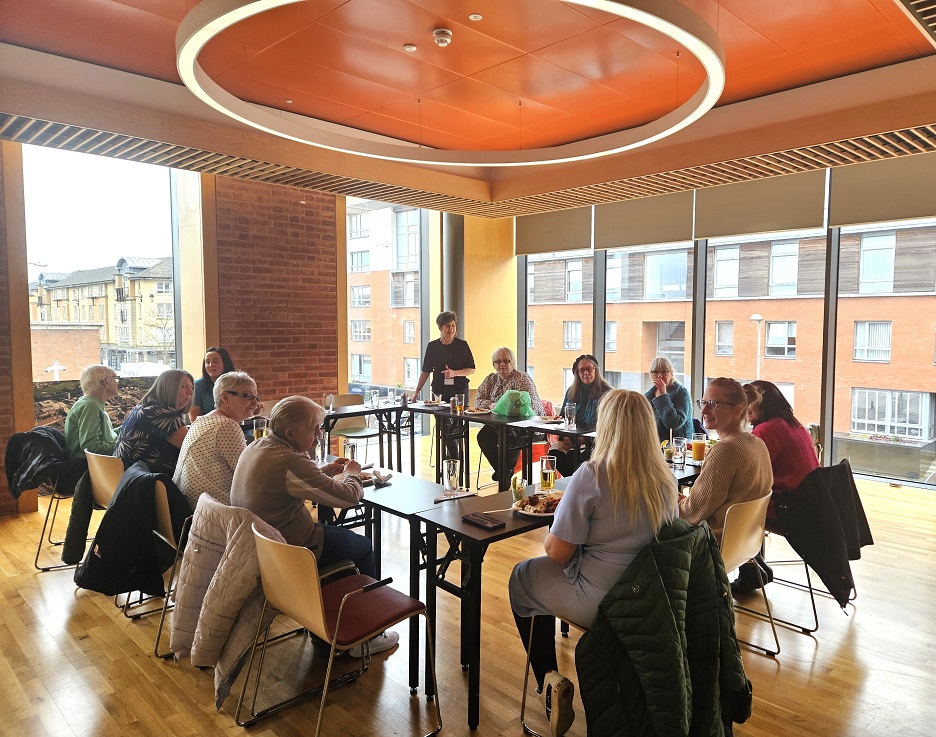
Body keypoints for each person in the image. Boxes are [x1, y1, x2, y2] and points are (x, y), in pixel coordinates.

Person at [509, 390, 679, 737]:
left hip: (600, 601)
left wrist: (555, 531)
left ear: (607, 426)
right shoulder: (666, 479)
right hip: (647, 598)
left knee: (523, 577)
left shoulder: (593, 474)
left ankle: (549, 682)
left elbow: (558, 553)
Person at [230, 396, 398, 657]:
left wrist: (328, 470)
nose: (319, 435)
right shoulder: (288, 459)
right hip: (295, 551)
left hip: (265, 550)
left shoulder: (260, 445)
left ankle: (330, 628)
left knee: (343, 542)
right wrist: (352, 472)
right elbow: (349, 497)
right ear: (290, 433)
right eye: (313, 429)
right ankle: (366, 636)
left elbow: (298, 479)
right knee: (362, 547)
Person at [732, 380, 820, 593]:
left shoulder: (766, 430)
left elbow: (745, 473)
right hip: (812, 504)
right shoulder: (794, 424)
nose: (744, 408)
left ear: (761, 404)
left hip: (789, 509)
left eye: (749, 402)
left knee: (734, 506)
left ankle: (750, 571)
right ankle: (755, 567)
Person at [678, 377, 773, 540]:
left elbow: (691, 515)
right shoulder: (758, 443)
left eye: (713, 404)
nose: (704, 411)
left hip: (711, 544)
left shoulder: (725, 450)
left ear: (737, 410)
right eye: (703, 403)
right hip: (742, 542)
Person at [173, 371, 260, 509]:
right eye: (248, 396)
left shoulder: (203, 419)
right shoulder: (226, 425)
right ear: (225, 397)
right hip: (214, 514)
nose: (255, 402)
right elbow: (249, 476)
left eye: (256, 397)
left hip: (190, 508)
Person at [410, 311, 475, 458]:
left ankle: (452, 460)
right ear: (440, 328)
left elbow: (471, 369)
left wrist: (455, 373)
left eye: (453, 325)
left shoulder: (462, 345)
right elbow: (426, 371)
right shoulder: (432, 347)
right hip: (440, 392)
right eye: (448, 326)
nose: (451, 329)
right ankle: (454, 459)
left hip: (459, 392)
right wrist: (417, 391)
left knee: (457, 428)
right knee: (444, 426)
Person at [475, 347, 545, 482]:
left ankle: (504, 475)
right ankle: (503, 471)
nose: (502, 364)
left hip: (527, 427)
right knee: (483, 436)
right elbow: (478, 400)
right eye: (498, 361)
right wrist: (490, 405)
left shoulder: (521, 378)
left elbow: (532, 406)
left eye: (506, 361)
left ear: (513, 362)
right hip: (499, 425)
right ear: (493, 364)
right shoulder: (491, 379)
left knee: (507, 438)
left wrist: (512, 407)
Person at [114, 369, 194, 475]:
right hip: (145, 484)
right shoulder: (166, 416)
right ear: (168, 388)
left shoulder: (142, 408)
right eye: (183, 386)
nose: (190, 391)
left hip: (124, 479)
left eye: (191, 387)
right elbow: (195, 450)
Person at [550, 354, 612, 477]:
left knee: (574, 459)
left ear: (596, 370)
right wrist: (565, 436)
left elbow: (607, 425)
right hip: (572, 439)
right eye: (581, 370)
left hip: (595, 443)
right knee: (554, 454)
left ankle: (578, 486)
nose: (585, 373)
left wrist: (582, 438)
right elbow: (563, 416)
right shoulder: (571, 391)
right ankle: (573, 486)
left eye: (589, 369)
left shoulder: (606, 393)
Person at [64, 364, 120, 460]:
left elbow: (106, 436)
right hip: (89, 466)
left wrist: (129, 426)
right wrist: (125, 445)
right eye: (115, 378)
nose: (117, 382)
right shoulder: (91, 406)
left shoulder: (91, 402)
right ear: (105, 382)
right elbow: (90, 447)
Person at [643, 356, 693, 443]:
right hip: (654, 445)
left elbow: (674, 423)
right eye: (655, 372)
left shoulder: (681, 393)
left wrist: (662, 396)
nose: (659, 375)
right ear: (651, 375)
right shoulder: (647, 396)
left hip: (678, 446)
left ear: (671, 373)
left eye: (664, 372)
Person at [189, 347, 236, 421]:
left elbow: (249, 410)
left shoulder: (238, 383)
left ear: (225, 363)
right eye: (207, 362)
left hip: (240, 427)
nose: (211, 365)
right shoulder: (198, 386)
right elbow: (194, 419)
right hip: (212, 429)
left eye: (215, 361)